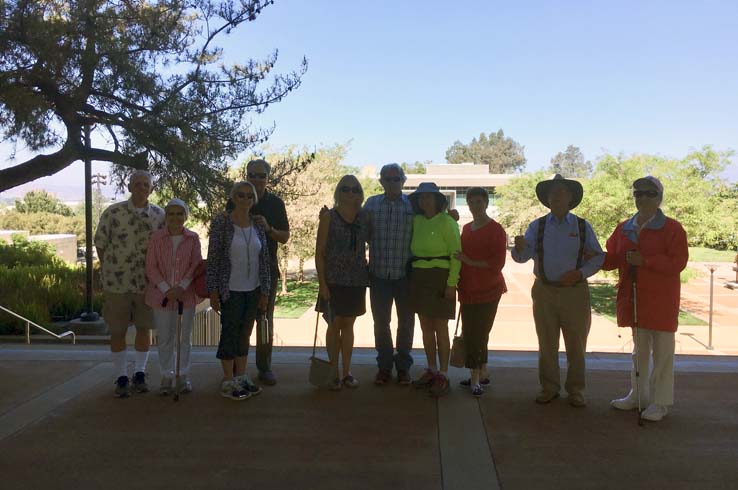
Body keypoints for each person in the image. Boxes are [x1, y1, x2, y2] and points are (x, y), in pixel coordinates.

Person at [512, 174, 604, 407]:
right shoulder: (538, 226)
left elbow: (598, 257)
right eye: (552, 194)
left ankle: (576, 390)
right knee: (546, 343)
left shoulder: (582, 226)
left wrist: (580, 273)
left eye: (561, 193)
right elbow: (522, 257)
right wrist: (518, 249)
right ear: (547, 199)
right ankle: (549, 387)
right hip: (544, 291)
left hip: (575, 293)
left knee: (576, 344)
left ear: (570, 198)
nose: (556, 197)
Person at [604, 176, 688, 422]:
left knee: (662, 355)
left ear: (659, 197)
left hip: (661, 302)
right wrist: (586, 254)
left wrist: (647, 262)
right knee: (638, 353)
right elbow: (612, 258)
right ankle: (638, 395)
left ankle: (660, 403)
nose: (642, 197)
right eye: (637, 193)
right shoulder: (624, 228)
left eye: (649, 193)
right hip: (634, 301)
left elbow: (678, 262)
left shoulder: (673, 229)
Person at [95, 170, 165, 397]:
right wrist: (112, 267)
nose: (142, 187)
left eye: (146, 184)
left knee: (144, 329)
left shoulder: (159, 215)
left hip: (147, 284)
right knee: (118, 330)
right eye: (138, 183)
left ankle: (140, 373)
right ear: (129, 186)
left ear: (151, 189)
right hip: (117, 283)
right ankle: (122, 376)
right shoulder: (113, 213)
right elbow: (101, 244)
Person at [206, 181, 271, 400]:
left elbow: (264, 260)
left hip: (253, 288)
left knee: (245, 333)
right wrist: (213, 292)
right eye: (241, 195)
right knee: (229, 332)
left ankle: (242, 376)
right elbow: (213, 259)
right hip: (230, 289)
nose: (245, 200)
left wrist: (265, 291)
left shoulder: (258, 224)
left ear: (254, 200)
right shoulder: (221, 223)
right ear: (233, 198)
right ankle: (227, 380)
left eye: (249, 196)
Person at [362, 163, 416, 385]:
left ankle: (403, 368)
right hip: (379, 275)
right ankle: (384, 367)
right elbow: (361, 232)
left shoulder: (413, 206)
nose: (392, 182)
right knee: (381, 323)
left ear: (403, 181)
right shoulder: (371, 205)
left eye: (396, 179)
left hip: (406, 276)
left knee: (406, 323)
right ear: (381, 181)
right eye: (388, 179)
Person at [315, 175, 370, 390]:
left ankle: (346, 372)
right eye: (346, 189)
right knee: (334, 325)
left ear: (359, 193)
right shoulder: (329, 217)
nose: (350, 193)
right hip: (333, 281)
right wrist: (322, 284)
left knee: (349, 326)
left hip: (356, 280)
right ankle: (333, 372)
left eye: (355, 189)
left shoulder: (365, 217)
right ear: (339, 191)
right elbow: (319, 253)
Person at [408, 182, 461, 397]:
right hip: (419, 276)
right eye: (421, 198)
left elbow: (456, 255)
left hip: (441, 276)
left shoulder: (448, 222)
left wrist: (451, 283)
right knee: (426, 327)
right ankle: (431, 369)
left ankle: (444, 374)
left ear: (437, 200)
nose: (424, 201)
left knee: (441, 328)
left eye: (429, 197)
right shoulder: (416, 221)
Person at [145, 199, 202, 395]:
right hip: (161, 296)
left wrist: (182, 287)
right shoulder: (156, 238)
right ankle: (167, 375)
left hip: (185, 296)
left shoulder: (193, 238)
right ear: (166, 217)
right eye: (171, 214)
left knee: (184, 338)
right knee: (165, 338)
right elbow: (150, 266)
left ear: (185, 216)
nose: (175, 218)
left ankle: (183, 375)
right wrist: (165, 288)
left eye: (180, 214)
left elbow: (196, 264)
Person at [454, 187, 507, 397]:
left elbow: (498, 263)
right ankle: (482, 372)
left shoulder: (496, 230)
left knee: (478, 333)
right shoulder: (466, 229)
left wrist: (469, 261)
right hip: (467, 288)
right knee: (472, 333)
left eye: (479, 202)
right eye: (471, 202)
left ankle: (475, 378)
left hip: (488, 290)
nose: (475, 206)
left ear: (486, 203)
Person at [246, 159, 290, 386]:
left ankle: (264, 368)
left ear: (267, 178)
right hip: (240, 271)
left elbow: (284, 237)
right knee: (241, 320)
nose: (256, 179)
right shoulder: (237, 200)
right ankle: (237, 367)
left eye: (261, 175)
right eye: (252, 174)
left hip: (267, 270)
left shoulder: (275, 204)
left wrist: (269, 228)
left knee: (264, 320)